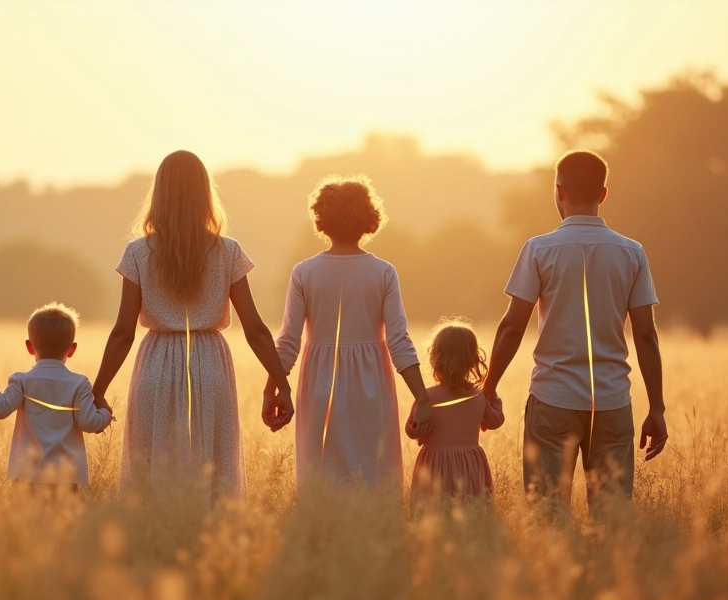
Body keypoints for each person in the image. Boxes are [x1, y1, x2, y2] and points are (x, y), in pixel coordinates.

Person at [91, 150, 294, 502]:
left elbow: (123, 333)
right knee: (212, 475)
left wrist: (98, 391)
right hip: (211, 364)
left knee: (153, 477)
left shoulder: (137, 253)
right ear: (205, 194)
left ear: (159, 194)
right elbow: (256, 329)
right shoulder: (228, 251)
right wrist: (282, 385)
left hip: (153, 366)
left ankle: (156, 543)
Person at [483, 150, 667, 511]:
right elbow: (646, 336)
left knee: (546, 515)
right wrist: (657, 408)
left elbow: (511, 327)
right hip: (613, 401)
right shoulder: (632, 253)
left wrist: (488, 388)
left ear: (558, 191)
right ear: (603, 194)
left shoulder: (538, 249)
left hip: (552, 399)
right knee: (612, 520)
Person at [271, 175, 431, 493]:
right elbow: (399, 341)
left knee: (321, 478)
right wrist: (422, 397)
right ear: (369, 219)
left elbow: (288, 341)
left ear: (322, 219)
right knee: (372, 475)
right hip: (372, 386)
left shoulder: (304, 272)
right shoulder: (384, 272)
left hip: (318, 384)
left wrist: (275, 390)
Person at [0, 303, 113, 491]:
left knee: (25, 520)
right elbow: (90, 423)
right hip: (66, 477)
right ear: (72, 349)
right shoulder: (79, 384)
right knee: (64, 520)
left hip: (27, 475)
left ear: (29, 346)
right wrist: (106, 413)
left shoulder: (20, 381)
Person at [405, 320, 504, 503]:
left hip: (434, 467)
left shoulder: (427, 397)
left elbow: (412, 430)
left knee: (433, 513)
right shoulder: (479, 397)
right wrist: (492, 394)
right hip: (470, 467)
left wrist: (415, 428)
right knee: (470, 510)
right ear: (473, 360)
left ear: (435, 358)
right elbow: (495, 421)